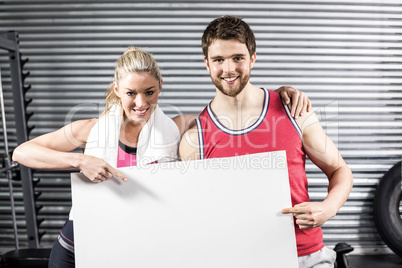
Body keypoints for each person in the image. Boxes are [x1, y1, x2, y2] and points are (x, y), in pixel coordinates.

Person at [12, 46, 309, 267]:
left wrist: (277, 96)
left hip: (136, 251)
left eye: (149, 92)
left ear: (160, 89)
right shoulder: (89, 130)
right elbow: (22, 152)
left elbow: (234, 114)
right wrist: (79, 161)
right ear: (117, 90)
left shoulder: (177, 127)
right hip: (77, 246)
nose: (141, 103)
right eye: (130, 93)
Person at [179, 15, 353, 268]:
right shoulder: (196, 138)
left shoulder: (293, 110)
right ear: (207, 64)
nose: (228, 69)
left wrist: (328, 208)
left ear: (252, 58)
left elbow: (340, 170)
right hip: (237, 259)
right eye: (219, 60)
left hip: (305, 257)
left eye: (237, 58)